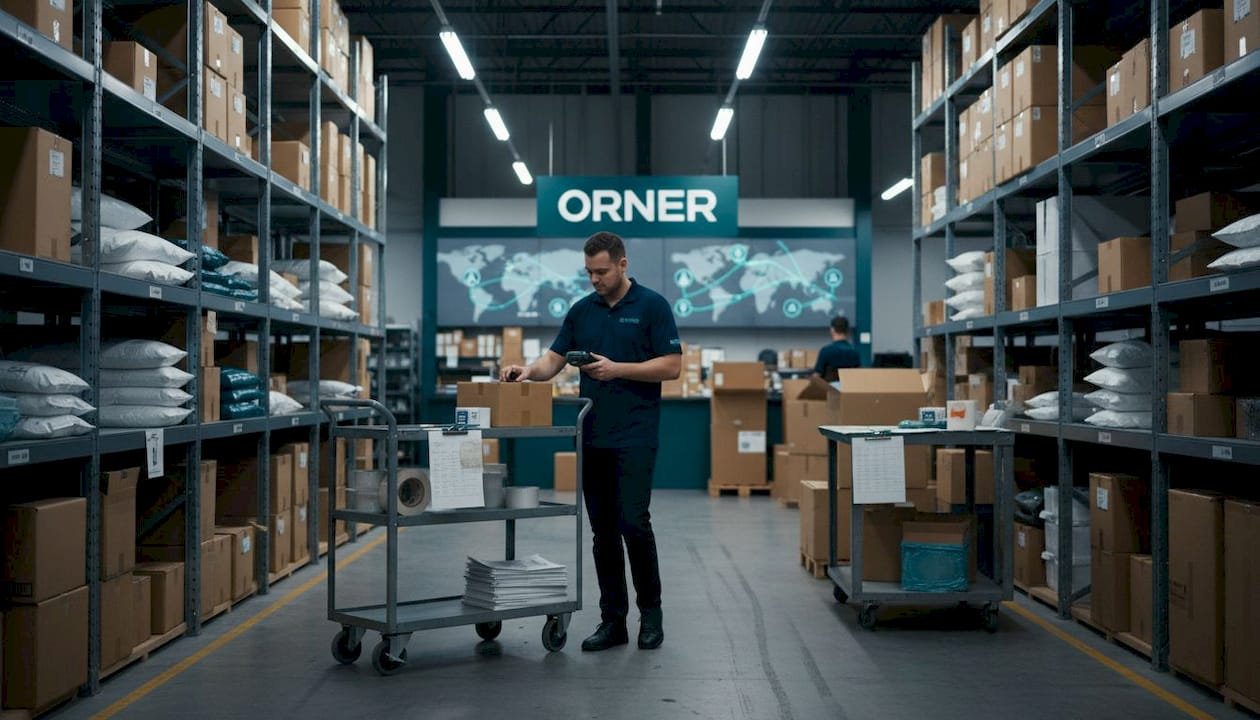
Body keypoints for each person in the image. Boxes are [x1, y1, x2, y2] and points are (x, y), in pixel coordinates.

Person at [500, 231, 681, 652]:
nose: (595, 279)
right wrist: (526, 371)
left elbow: (672, 366)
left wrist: (619, 369)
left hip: (636, 435)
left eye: (601, 271)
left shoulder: (653, 306)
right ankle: (612, 621)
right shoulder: (582, 311)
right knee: (601, 532)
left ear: (622, 264)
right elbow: (553, 359)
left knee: (634, 524)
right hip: (593, 434)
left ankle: (650, 616)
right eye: (588, 272)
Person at [813, 315, 860, 381]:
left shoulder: (826, 351)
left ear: (832, 330)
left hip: (829, 390)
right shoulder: (854, 353)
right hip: (847, 389)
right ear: (847, 330)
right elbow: (858, 375)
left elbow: (817, 376)